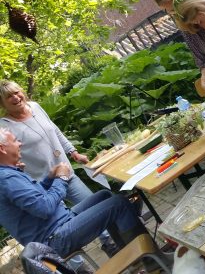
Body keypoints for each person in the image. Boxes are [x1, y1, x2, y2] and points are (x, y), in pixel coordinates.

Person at [0, 80, 118, 258]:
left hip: (66, 173)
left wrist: (73, 152)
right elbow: (9, 157)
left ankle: (109, 243)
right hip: (44, 185)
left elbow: (54, 130)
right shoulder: (5, 127)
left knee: (95, 203)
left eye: (17, 92)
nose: (16, 97)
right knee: (59, 226)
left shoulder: (35, 107)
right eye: (9, 97)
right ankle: (76, 267)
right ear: (2, 103)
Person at [0, 128, 143, 270]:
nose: (19, 143)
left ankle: (131, 256)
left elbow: (35, 200)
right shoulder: (6, 178)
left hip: (61, 221)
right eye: (14, 140)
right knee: (119, 203)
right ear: (2, 149)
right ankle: (148, 260)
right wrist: (62, 178)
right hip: (54, 238)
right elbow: (45, 208)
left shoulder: (9, 173)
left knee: (104, 196)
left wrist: (50, 178)